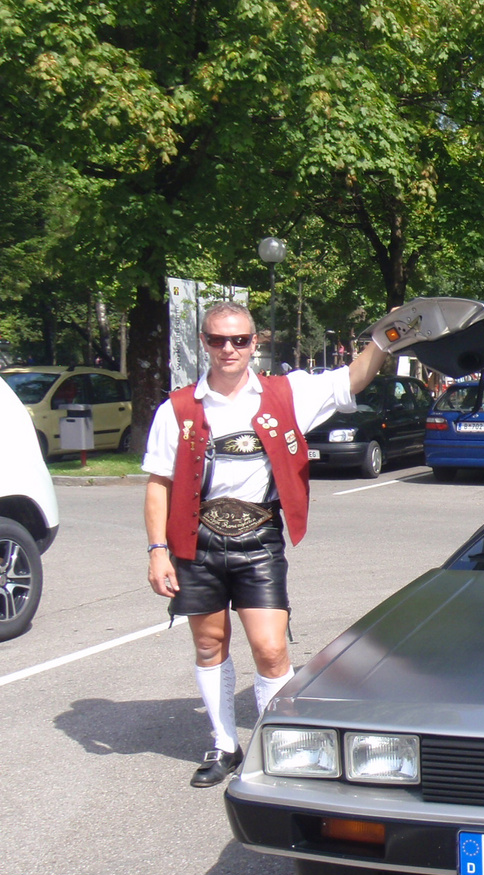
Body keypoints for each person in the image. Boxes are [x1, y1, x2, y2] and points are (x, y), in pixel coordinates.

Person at [143, 302, 389, 786]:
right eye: (218, 340)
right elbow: (158, 483)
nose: (228, 349)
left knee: (271, 649)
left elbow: (353, 378)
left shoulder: (287, 392)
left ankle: (278, 740)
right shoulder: (178, 408)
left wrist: (385, 337)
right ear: (204, 344)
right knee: (210, 643)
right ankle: (223, 745)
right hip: (198, 540)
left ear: (255, 343)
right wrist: (156, 551)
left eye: (239, 340)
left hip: (259, 539)